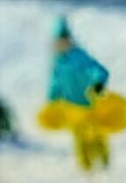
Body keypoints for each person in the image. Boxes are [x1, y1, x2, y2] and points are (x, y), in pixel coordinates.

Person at [47, 16, 111, 170]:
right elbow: (56, 83)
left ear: (68, 40)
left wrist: (98, 83)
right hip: (71, 106)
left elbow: (98, 70)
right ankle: (86, 167)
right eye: (57, 42)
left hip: (90, 103)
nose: (60, 45)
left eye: (62, 41)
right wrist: (52, 101)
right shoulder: (59, 62)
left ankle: (104, 163)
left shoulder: (80, 57)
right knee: (79, 138)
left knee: (96, 134)